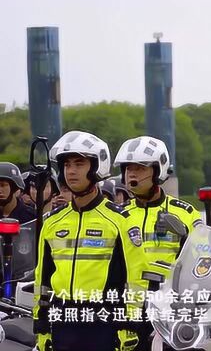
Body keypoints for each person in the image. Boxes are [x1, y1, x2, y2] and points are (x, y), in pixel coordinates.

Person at [33, 131, 147, 351]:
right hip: (62, 321)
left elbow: (135, 279)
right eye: (66, 165)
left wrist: (130, 326)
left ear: (96, 168)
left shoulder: (120, 220)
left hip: (103, 322)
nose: (71, 171)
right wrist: (41, 324)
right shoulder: (53, 222)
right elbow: (43, 278)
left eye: (79, 164)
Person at [113, 136, 202, 351]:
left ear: (158, 170)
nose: (132, 173)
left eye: (140, 168)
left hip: (171, 313)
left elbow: (204, 264)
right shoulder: (117, 216)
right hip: (126, 315)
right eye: (128, 168)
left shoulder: (185, 213)